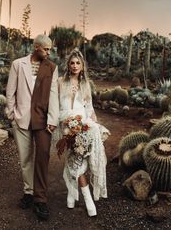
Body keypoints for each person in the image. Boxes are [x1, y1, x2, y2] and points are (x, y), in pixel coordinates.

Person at [6, 34, 59, 220]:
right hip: (21, 118)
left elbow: (53, 94)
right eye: (46, 49)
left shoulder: (52, 68)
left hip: (44, 120)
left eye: (50, 49)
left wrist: (53, 119)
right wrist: (11, 114)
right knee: (25, 158)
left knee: (43, 157)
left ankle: (41, 199)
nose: (49, 52)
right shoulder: (18, 64)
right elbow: (10, 91)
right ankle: (29, 192)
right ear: (36, 47)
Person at [57, 49, 110, 217]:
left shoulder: (86, 84)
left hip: (84, 123)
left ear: (82, 66)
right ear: (68, 65)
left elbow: (89, 108)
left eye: (77, 63)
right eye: (72, 63)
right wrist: (63, 121)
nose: (74, 65)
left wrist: (94, 123)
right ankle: (87, 199)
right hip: (67, 124)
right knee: (76, 158)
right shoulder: (60, 82)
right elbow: (56, 106)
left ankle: (72, 194)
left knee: (79, 158)